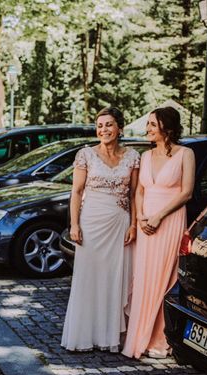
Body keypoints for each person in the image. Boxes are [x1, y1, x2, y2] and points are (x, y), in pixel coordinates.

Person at [61, 107, 140, 352]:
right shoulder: (86, 155)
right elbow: (75, 192)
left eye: (109, 125)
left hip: (119, 224)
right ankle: (84, 335)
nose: (103, 130)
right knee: (88, 278)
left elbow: (135, 194)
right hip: (91, 224)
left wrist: (134, 224)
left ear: (119, 128)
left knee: (113, 280)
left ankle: (109, 336)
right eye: (100, 125)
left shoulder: (132, 156)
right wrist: (74, 224)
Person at [122, 107, 195, 359]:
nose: (148, 129)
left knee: (165, 278)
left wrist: (158, 216)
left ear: (167, 127)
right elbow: (140, 191)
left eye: (152, 124)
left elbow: (186, 193)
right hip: (146, 224)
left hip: (170, 219)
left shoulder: (186, 154)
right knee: (144, 278)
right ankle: (139, 335)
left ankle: (160, 338)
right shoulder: (146, 156)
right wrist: (142, 216)